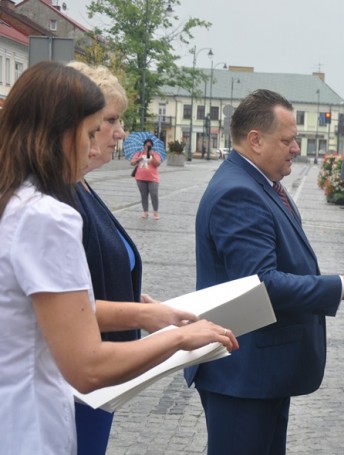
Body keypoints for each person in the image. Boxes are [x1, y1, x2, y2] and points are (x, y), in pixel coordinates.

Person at [0, 60, 238, 455]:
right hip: (29, 425)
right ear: (63, 131)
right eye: (93, 130)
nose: (96, 144)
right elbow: (88, 365)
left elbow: (57, 308)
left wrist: (143, 315)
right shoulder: (47, 215)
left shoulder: (15, 198)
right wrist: (179, 339)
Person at [185, 89, 344, 455]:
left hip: (262, 371)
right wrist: (339, 287)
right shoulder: (238, 193)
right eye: (288, 140)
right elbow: (261, 283)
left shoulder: (260, 184)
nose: (295, 148)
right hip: (242, 375)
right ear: (256, 140)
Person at [131, 138, 161, 220]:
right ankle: (145, 212)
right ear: (144, 146)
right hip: (140, 177)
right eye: (146, 145)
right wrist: (138, 159)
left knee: (154, 194)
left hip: (153, 178)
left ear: (152, 146)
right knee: (143, 195)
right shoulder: (139, 153)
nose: (148, 147)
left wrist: (153, 155)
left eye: (149, 146)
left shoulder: (155, 154)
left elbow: (157, 164)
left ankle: (155, 212)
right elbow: (132, 163)